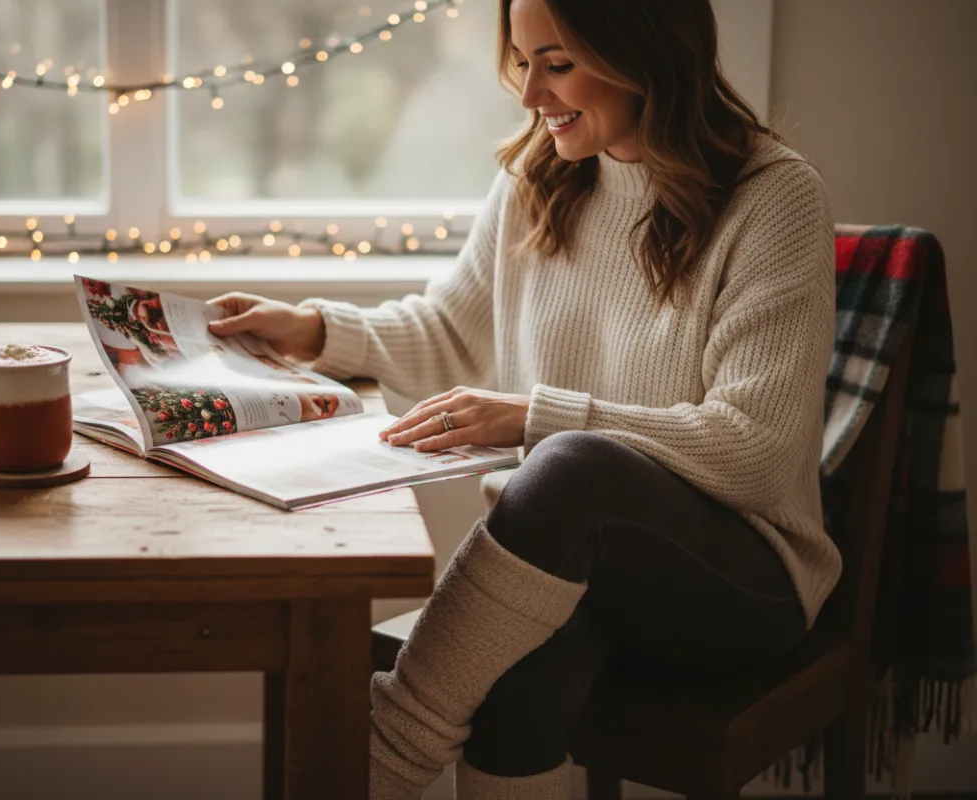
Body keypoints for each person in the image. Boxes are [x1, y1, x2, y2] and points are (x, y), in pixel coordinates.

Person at [208, 0, 836, 797]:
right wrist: (315, 331)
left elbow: (756, 449)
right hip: (578, 565)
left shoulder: (773, 197)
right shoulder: (541, 173)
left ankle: (380, 758)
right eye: (521, 60)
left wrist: (539, 416)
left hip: (742, 585)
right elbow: (448, 328)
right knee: (520, 664)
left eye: (559, 62)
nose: (532, 93)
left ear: (643, 46)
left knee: (570, 466)